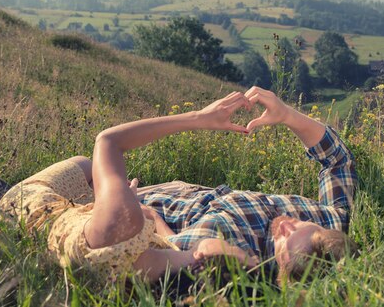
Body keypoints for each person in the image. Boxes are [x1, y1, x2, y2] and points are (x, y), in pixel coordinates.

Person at [0, 94, 261, 284]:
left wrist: (200, 117)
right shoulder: (163, 273)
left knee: (84, 163)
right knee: (95, 187)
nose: (248, 250)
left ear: (205, 258)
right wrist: (146, 211)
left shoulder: (123, 227)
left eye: (246, 256)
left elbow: (109, 140)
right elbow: (168, 242)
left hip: (32, 209)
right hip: (85, 226)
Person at [136, 86, 359, 283]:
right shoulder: (329, 222)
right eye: (300, 226)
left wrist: (151, 218)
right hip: (181, 187)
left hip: (148, 207)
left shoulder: (233, 260)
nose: (285, 226)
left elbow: (169, 252)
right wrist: (287, 115)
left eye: (283, 241)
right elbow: (338, 160)